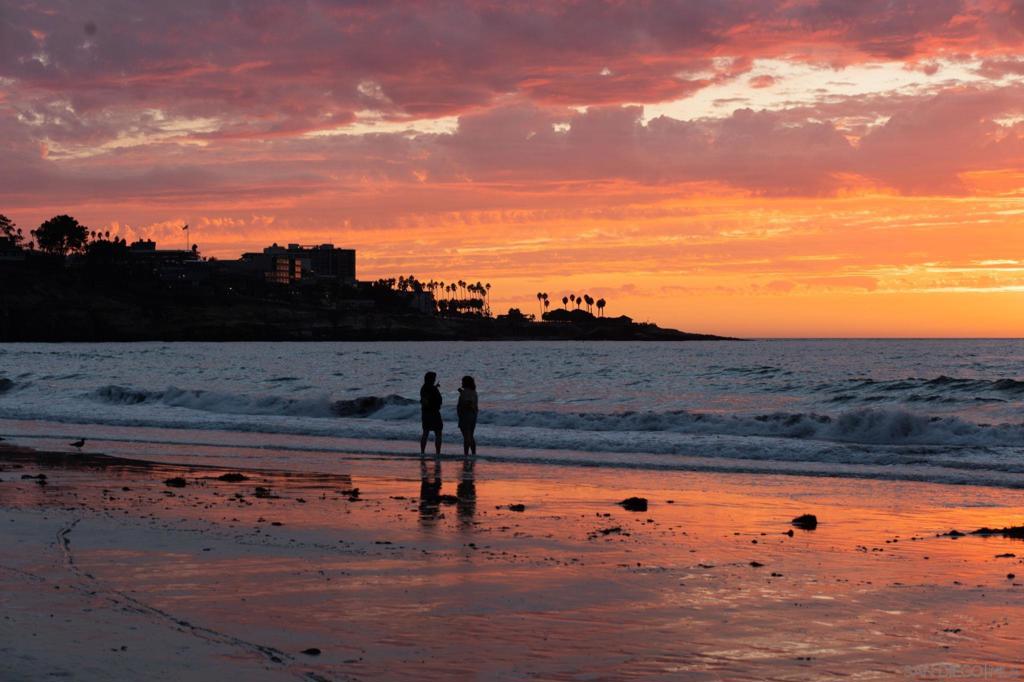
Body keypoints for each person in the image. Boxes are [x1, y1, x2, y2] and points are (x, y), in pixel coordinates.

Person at [420, 371, 443, 456]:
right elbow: (425, 400)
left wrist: (435, 388)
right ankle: (437, 453)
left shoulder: (425, 388)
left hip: (427, 413)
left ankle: (422, 452)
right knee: (438, 432)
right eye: (433, 378)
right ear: (430, 379)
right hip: (432, 413)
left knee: (426, 432)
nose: (434, 380)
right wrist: (435, 389)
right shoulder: (429, 388)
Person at [457, 375, 478, 456]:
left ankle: (466, 454)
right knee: (471, 436)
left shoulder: (465, 392)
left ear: (466, 383)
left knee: (466, 436)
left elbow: (468, 402)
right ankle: (473, 453)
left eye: (463, 381)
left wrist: (463, 394)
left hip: (465, 416)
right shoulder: (474, 392)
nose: (461, 383)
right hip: (473, 416)